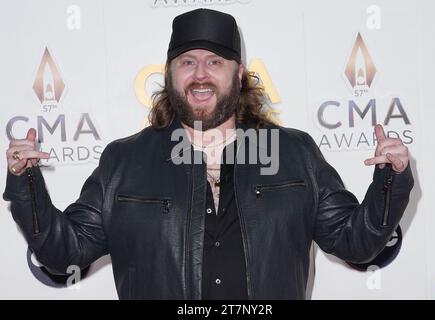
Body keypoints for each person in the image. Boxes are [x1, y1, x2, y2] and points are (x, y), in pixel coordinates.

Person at [3, 8, 413, 300]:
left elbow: (354, 242)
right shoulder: (124, 162)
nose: (200, 74)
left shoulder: (293, 152)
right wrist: (26, 185)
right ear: (170, 75)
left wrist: (390, 179)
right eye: (187, 62)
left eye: (214, 61)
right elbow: (64, 253)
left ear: (238, 74)